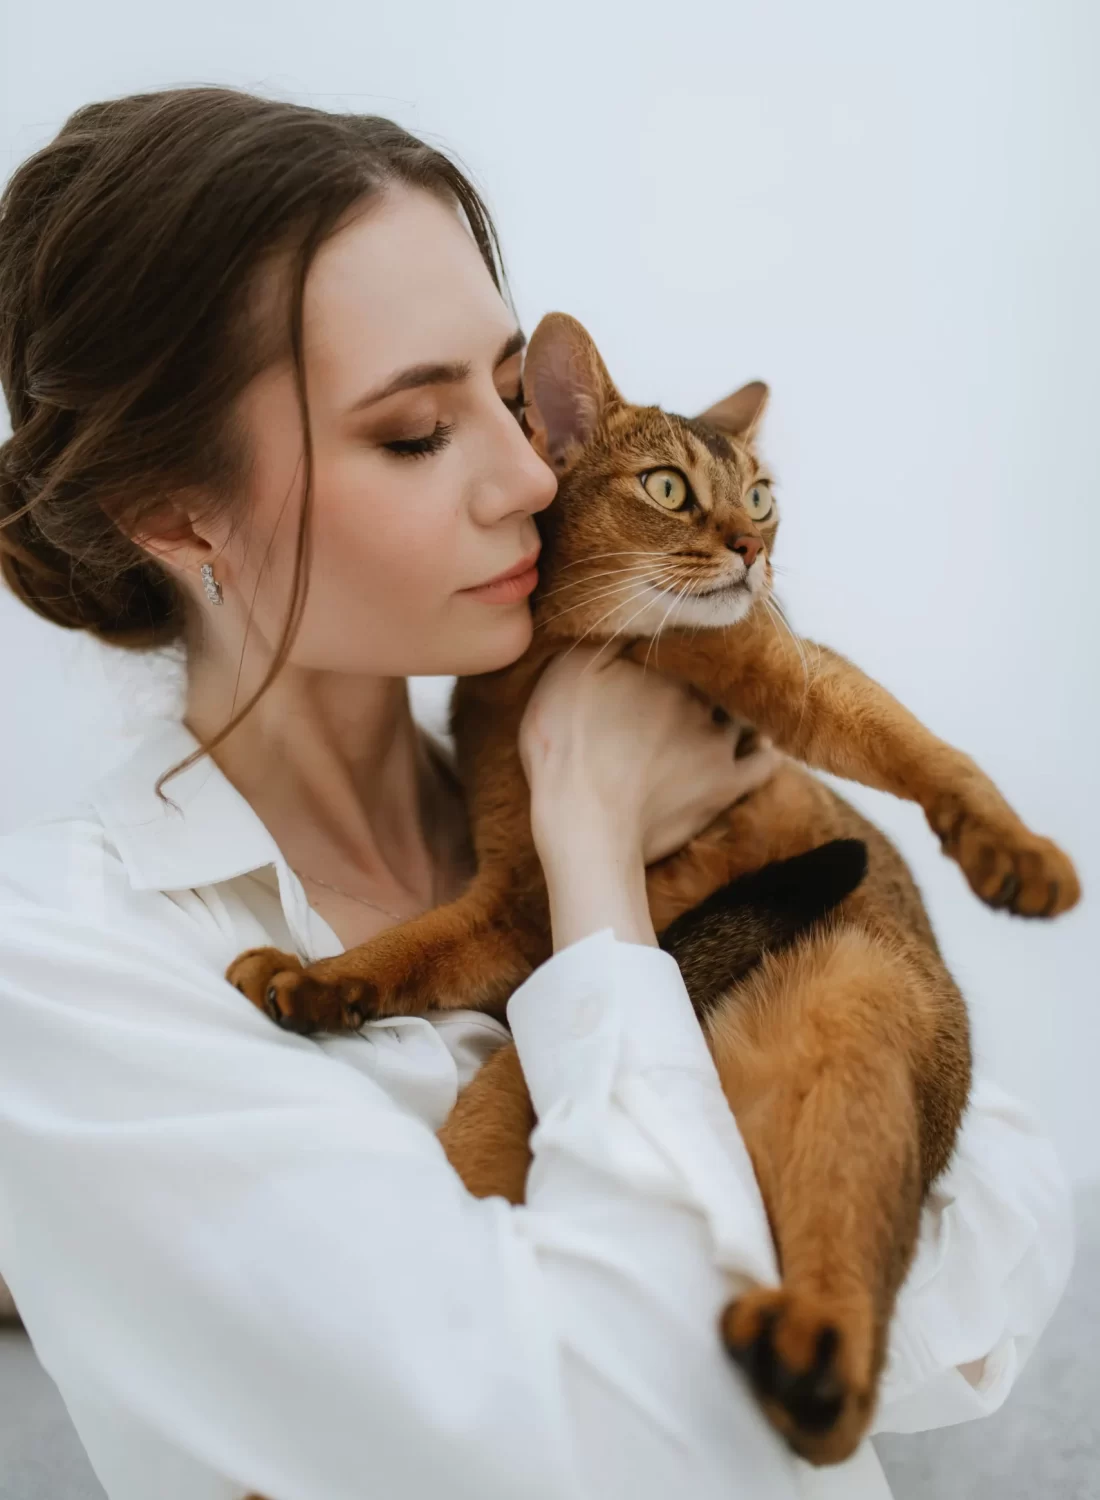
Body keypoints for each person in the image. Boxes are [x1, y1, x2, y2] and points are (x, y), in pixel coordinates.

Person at [0, 88, 1072, 1500]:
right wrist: (591, 853)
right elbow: (624, 1453)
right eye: (412, 434)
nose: (529, 475)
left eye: (512, 400)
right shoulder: (65, 967)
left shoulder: (678, 752)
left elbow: (997, 1247)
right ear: (179, 514)